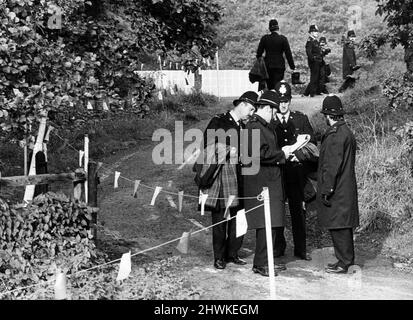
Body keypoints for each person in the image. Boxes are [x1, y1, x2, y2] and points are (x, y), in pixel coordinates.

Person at [195, 91, 258, 270]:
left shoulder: (245, 126)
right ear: (242, 104)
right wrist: (228, 150)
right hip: (221, 178)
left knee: (238, 216)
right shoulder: (219, 121)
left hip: (241, 177)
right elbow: (206, 147)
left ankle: (233, 253)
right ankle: (219, 257)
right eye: (251, 109)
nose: (252, 113)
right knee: (221, 218)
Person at [242, 90, 293, 277]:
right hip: (262, 182)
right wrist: (282, 154)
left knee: (271, 224)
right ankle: (261, 263)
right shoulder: (254, 127)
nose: (275, 115)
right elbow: (259, 154)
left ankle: (266, 261)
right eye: (273, 110)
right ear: (267, 109)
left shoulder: (262, 126)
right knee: (266, 224)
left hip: (269, 181)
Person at [271, 80, 316, 261]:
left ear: (290, 101)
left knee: (298, 212)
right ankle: (278, 247)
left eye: (286, 100)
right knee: (277, 211)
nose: (283, 104)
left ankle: (301, 249)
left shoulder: (300, 118)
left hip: (297, 172)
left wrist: (299, 155)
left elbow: (312, 144)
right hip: (278, 173)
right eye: (280, 101)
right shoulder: (270, 121)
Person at [317, 95, 359, 274]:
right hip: (345, 186)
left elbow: (332, 165)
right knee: (343, 225)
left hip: (338, 189)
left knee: (339, 226)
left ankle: (344, 262)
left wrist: (327, 188)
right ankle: (344, 260)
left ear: (328, 115)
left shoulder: (335, 135)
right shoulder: (346, 131)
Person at [256, 19, 296, 90]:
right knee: (277, 85)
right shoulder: (283, 39)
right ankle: (277, 98)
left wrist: (261, 63)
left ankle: (271, 98)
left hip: (268, 65)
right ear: (278, 28)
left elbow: (259, 53)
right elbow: (288, 54)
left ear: (269, 28)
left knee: (270, 86)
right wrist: (292, 66)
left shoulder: (264, 38)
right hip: (279, 65)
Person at [303, 25, 322, 97]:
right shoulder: (310, 41)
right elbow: (308, 52)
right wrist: (313, 59)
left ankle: (307, 92)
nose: (316, 33)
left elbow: (318, 51)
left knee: (316, 76)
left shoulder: (315, 41)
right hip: (313, 61)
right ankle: (312, 93)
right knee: (314, 77)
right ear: (311, 32)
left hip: (317, 61)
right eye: (315, 31)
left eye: (317, 31)